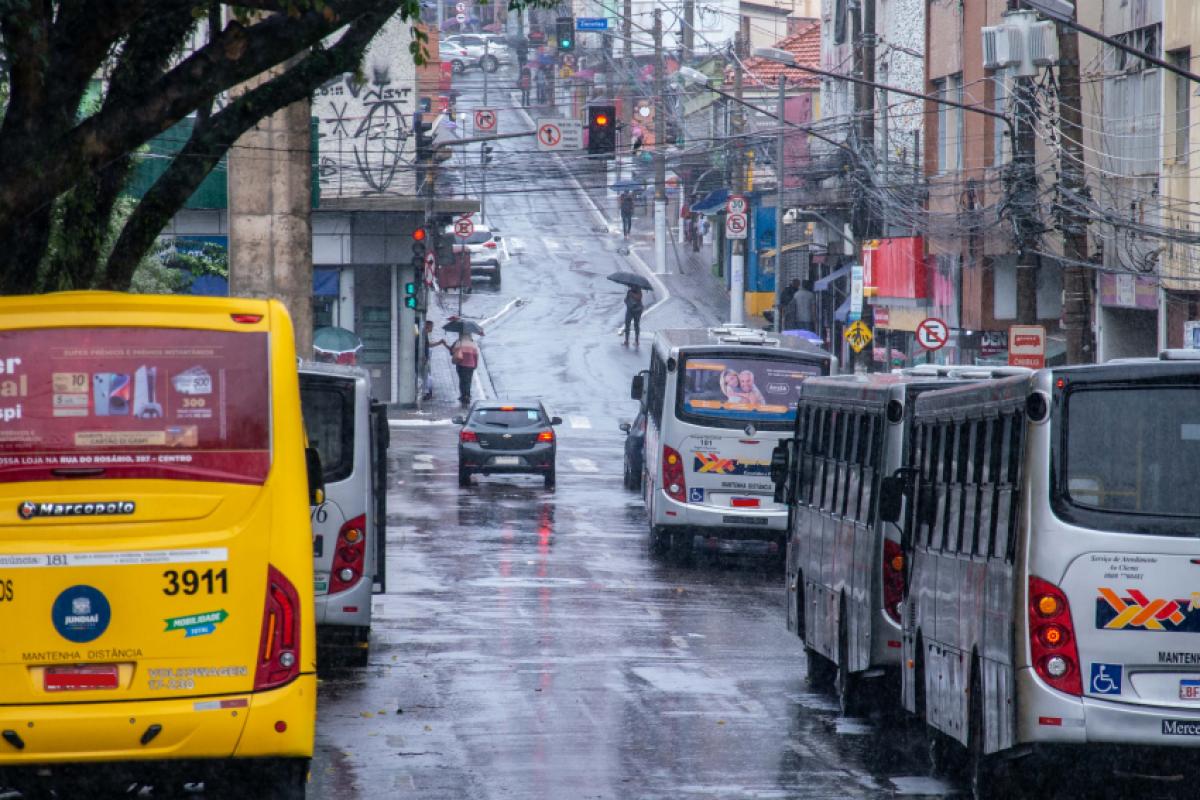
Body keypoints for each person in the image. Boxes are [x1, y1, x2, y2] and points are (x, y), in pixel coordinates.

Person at [419, 320, 446, 401]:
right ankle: (426, 393)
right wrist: (423, 356)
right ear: (428, 326)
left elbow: (428, 345)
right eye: (431, 326)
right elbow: (424, 346)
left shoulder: (425, 334)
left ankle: (427, 392)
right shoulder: (424, 334)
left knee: (426, 375)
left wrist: (439, 343)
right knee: (425, 376)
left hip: (426, 358)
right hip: (424, 359)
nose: (432, 328)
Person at [450, 332, 480, 404]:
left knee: (462, 380)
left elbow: (452, 352)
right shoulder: (473, 344)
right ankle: (467, 395)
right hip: (470, 365)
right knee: (468, 380)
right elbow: (476, 355)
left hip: (461, 365)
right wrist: (476, 364)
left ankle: (463, 395)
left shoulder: (459, 342)